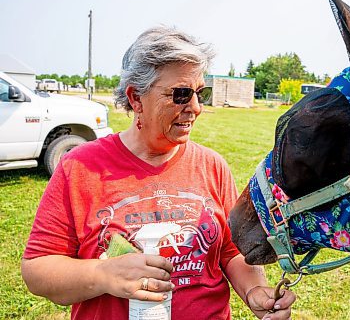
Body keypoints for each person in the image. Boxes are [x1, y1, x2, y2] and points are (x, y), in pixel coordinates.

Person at [21, 26, 295, 320]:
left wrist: (254, 290)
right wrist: (102, 274)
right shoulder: (79, 167)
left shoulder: (213, 166)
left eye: (200, 93)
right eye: (180, 94)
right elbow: (38, 269)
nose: (196, 107)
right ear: (136, 98)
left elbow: (231, 252)